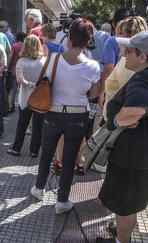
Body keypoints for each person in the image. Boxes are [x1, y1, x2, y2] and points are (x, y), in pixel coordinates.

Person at [96, 31, 148, 243]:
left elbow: (135, 111)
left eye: (130, 51)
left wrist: (115, 121)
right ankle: (122, 235)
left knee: (124, 208)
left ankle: (122, 241)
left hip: (130, 156)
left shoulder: (143, 79)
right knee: (130, 205)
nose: (124, 55)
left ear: (143, 57)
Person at [30, 19, 101, 214]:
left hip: (53, 112)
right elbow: (94, 94)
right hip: (78, 116)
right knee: (69, 159)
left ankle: (38, 189)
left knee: (47, 153)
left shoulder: (53, 58)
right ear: (88, 40)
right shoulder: (93, 66)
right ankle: (62, 201)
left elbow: (42, 82)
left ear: (69, 37)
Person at [6, 35, 46, 157]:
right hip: (40, 98)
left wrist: (30, 84)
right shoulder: (44, 61)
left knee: (22, 124)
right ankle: (34, 151)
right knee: (38, 126)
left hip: (25, 98)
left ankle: (16, 148)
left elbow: (19, 80)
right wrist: (37, 85)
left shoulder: (21, 62)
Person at [96, 7, 132, 131]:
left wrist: (101, 93)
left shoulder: (112, 41)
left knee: (102, 127)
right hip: (130, 92)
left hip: (114, 89)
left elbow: (108, 68)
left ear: (114, 23)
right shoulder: (139, 41)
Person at [7, 32, 27, 112]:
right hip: (24, 70)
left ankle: (10, 106)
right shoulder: (26, 46)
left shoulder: (14, 46)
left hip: (13, 69)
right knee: (23, 88)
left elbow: (10, 57)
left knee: (13, 89)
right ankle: (23, 105)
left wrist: (7, 67)